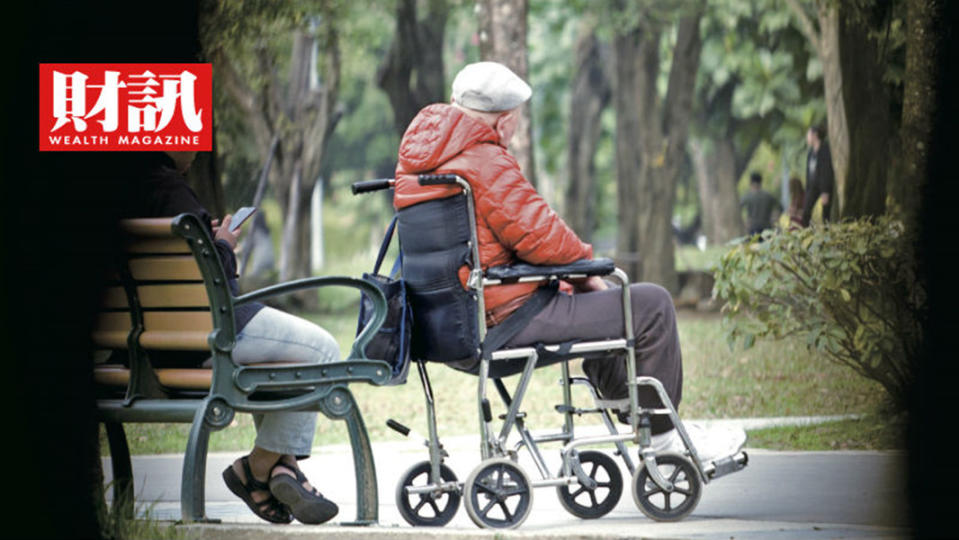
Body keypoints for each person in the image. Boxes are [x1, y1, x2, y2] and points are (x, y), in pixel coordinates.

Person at [393, 62, 746, 461]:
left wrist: (574, 280)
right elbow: (542, 236)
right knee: (651, 305)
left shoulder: (413, 164)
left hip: (449, 325)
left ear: (454, 104)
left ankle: (636, 413)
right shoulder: (484, 159)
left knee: (600, 309)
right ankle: (665, 440)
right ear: (506, 121)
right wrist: (587, 271)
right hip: (505, 319)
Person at [123, 151, 340, 525]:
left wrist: (209, 239)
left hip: (145, 348)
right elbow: (216, 278)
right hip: (207, 338)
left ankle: (282, 467)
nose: (195, 149)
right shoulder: (169, 190)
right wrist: (223, 243)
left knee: (290, 362)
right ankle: (259, 468)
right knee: (323, 350)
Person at [801, 124, 835, 227]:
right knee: (806, 212)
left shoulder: (825, 150)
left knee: (826, 214)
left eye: (808, 135)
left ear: (815, 135)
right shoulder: (811, 152)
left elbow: (827, 171)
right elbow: (808, 172)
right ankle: (806, 235)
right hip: (812, 186)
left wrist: (825, 191)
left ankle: (827, 235)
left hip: (823, 186)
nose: (807, 138)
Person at [740, 172, 782, 236]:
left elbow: (737, 209)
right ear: (761, 182)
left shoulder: (748, 196)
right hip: (767, 228)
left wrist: (744, 223)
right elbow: (780, 207)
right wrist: (775, 218)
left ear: (751, 182)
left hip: (753, 228)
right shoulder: (768, 196)